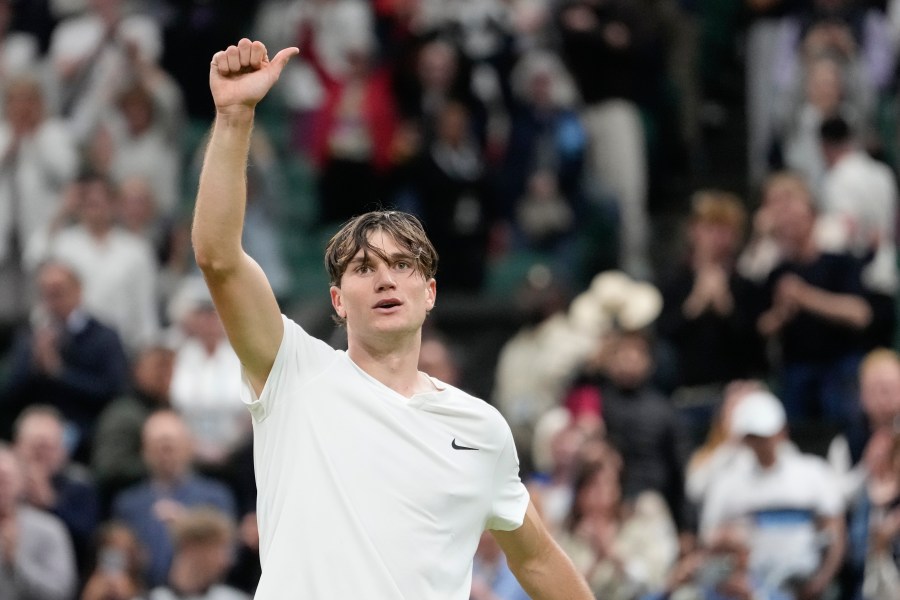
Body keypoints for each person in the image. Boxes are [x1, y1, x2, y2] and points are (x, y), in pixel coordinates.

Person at [192, 38, 593, 599]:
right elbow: (218, 259)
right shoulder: (293, 373)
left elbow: (540, 561)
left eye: (402, 265)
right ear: (337, 301)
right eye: (363, 268)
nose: (385, 278)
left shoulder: (482, 429)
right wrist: (234, 117)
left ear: (429, 293)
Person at [0, 442, 77, 600]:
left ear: (21, 482)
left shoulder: (49, 529)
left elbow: (61, 592)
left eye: (5, 479)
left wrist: (15, 562)